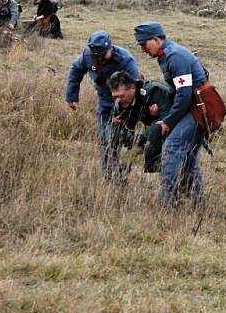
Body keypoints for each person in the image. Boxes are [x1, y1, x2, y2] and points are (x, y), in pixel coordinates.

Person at [134, 21, 208, 207]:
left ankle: (168, 202)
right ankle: (199, 203)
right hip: (191, 108)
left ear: (157, 39)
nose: (142, 49)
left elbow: (184, 95)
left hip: (196, 110)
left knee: (171, 149)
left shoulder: (175, 57)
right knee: (188, 157)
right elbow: (177, 92)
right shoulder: (166, 55)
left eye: (144, 44)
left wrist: (168, 121)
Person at [66, 31, 140, 180]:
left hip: (126, 105)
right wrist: (72, 96)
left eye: (103, 54)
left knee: (123, 141)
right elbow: (76, 70)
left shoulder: (125, 60)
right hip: (105, 101)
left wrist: (124, 113)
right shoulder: (88, 55)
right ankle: (108, 176)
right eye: (96, 55)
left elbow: (135, 88)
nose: (99, 58)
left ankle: (122, 173)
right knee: (105, 139)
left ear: (110, 48)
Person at [106, 70, 174, 174]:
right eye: (115, 97)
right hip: (155, 129)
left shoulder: (153, 91)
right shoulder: (121, 103)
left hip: (178, 127)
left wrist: (142, 140)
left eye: (122, 96)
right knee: (124, 154)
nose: (118, 100)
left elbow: (168, 118)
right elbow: (116, 125)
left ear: (133, 88)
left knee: (155, 155)